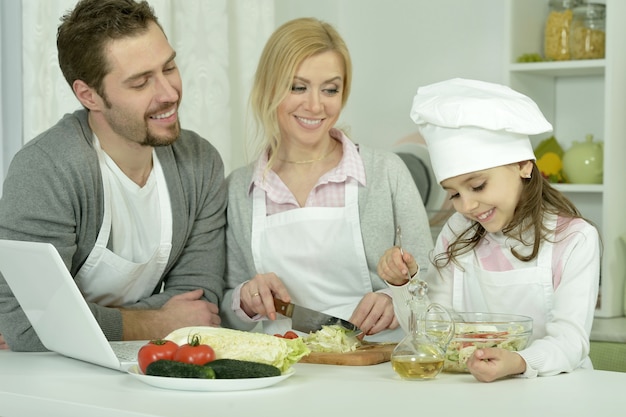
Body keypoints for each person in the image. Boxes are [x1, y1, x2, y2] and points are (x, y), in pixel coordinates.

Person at [0, 0, 226, 352]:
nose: (169, 93)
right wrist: (160, 321)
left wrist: (78, 320)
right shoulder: (47, 169)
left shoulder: (199, 163)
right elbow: (29, 328)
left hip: (143, 368)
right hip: (41, 380)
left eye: (169, 67)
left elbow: (200, 307)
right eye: (140, 83)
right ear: (89, 95)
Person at [219, 17, 433, 342]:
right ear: (268, 87)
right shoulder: (239, 188)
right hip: (282, 371)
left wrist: (395, 300)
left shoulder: (386, 173)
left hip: (375, 368)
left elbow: (434, 282)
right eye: (297, 87)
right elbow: (224, 310)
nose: (316, 105)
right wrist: (246, 300)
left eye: (330, 89)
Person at [378, 78, 600, 381]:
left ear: (523, 165)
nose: (467, 206)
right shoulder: (459, 231)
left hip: (557, 391)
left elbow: (571, 343)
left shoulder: (574, 239)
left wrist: (518, 361)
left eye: (478, 185)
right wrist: (403, 286)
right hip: (472, 390)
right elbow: (431, 332)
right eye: (454, 194)